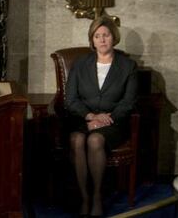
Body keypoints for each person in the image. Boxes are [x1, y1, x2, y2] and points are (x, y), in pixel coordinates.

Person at [65, 15, 137, 217]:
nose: (102, 39)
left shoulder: (127, 66)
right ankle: (84, 198)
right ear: (92, 39)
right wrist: (90, 116)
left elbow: (129, 102)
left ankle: (97, 196)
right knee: (77, 139)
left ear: (114, 37)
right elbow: (70, 99)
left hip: (114, 122)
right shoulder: (80, 64)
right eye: (97, 36)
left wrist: (108, 118)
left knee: (95, 140)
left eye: (106, 35)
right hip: (83, 119)